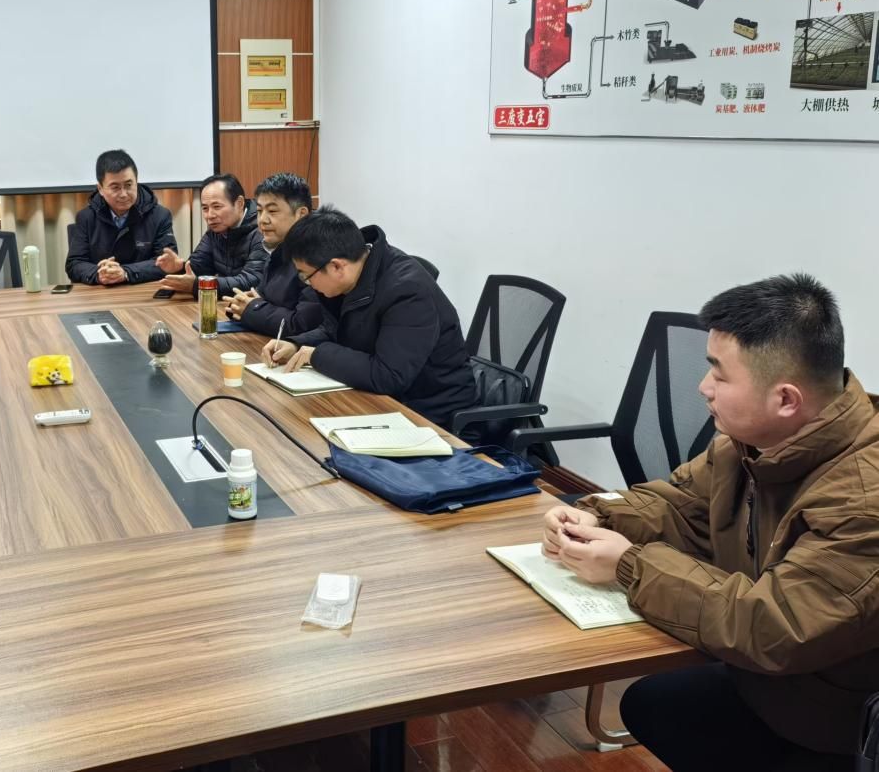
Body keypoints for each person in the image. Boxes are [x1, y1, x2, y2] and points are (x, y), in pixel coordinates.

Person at [542, 274, 879, 772]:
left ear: (786, 399)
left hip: (837, 722)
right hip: (772, 683)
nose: (703, 388)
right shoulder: (749, 444)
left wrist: (628, 565)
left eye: (719, 375)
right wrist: (597, 514)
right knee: (651, 704)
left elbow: (776, 626)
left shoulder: (864, 500)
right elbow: (681, 505)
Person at [261, 205, 478, 427]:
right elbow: (334, 330)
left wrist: (316, 355)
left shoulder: (407, 290)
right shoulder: (353, 276)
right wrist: (296, 345)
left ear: (336, 267)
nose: (308, 284)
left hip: (433, 416)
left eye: (306, 276)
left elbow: (388, 376)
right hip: (385, 402)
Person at [224, 172, 322, 337]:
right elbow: (262, 299)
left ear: (301, 214)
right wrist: (242, 304)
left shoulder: (316, 257)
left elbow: (303, 325)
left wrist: (253, 308)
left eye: (272, 211)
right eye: (259, 211)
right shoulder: (278, 249)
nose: (262, 220)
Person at [65, 149, 177, 286]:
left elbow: (168, 263)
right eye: (115, 187)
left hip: (143, 292)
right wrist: (99, 274)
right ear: (100, 189)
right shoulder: (86, 217)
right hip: (101, 293)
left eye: (129, 185)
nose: (123, 194)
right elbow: (75, 264)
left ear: (137, 182)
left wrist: (126, 272)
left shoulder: (160, 216)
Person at [156, 172, 267, 296]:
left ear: (239, 203)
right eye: (205, 208)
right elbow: (199, 267)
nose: (210, 215)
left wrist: (198, 285)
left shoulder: (262, 230)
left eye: (217, 206)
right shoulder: (216, 230)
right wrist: (179, 267)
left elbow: (251, 281)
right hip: (226, 302)